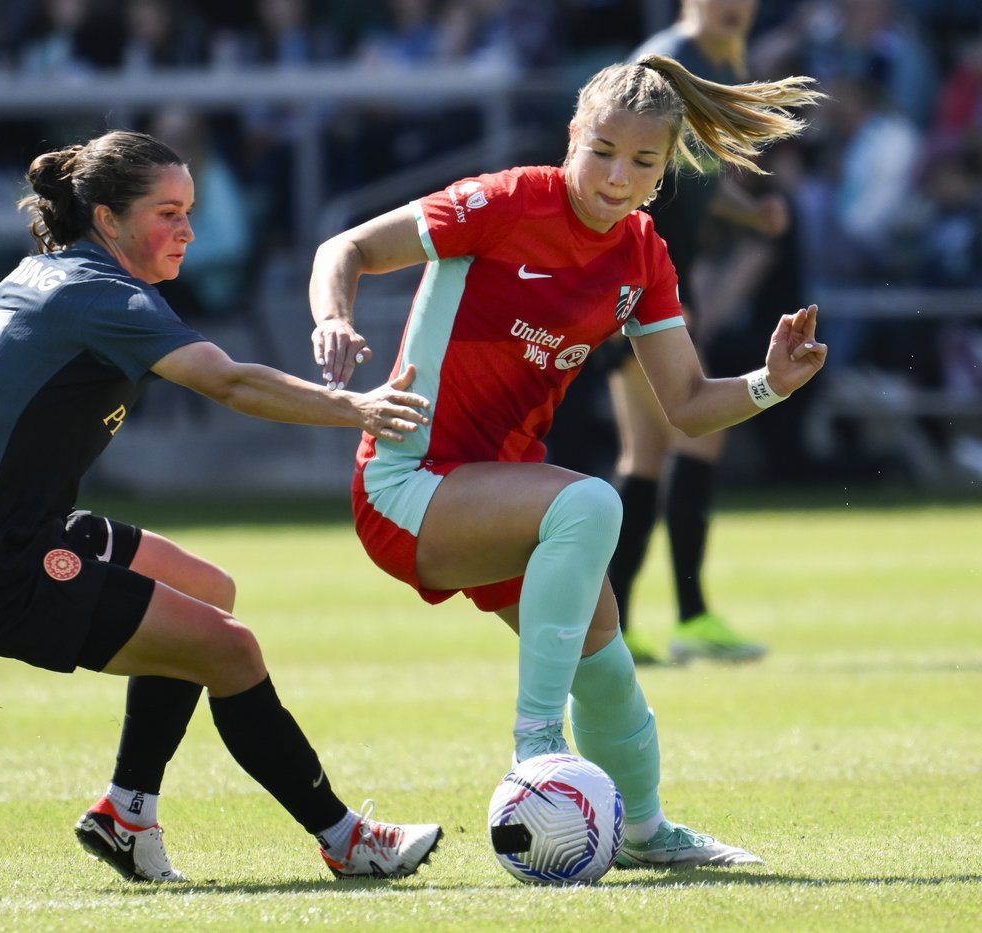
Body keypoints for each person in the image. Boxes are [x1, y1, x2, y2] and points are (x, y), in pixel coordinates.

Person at [0, 130, 442, 884]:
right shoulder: (105, 297)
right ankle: (345, 838)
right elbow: (228, 382)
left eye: (189, 210)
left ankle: (126, 814)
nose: (189, 231)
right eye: (168, 212)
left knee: (209, 592)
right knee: (229, 649)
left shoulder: (39, 278)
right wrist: (356, 408)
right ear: (108, 221)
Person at [308, 55, 825, 868]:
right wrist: (334, 319)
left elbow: (687, 404)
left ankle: (648, 832)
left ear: (666, 169)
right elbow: (345, 248)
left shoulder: (642, 255)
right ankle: (537, 753)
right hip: (407, 485)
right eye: (603, 151)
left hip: (495, 497)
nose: (618, 177)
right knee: (590, 503)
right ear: (571, 138)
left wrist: (770, 383)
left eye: (643, 162)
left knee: (607, 659)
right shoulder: (507, 201)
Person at [588, 0, 799, 665]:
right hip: (642, 294)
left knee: (644, 458)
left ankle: (618, 628)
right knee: (700, 437)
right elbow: (622, 174)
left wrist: (745, 214)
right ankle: (692, 616)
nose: (735, 6)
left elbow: (688, 181)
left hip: (655, 289)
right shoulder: (667, 64)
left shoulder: (709, 63)